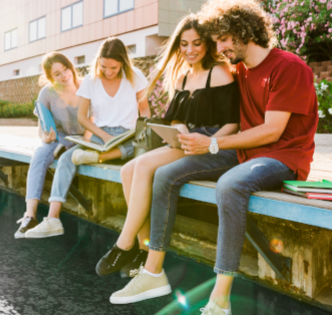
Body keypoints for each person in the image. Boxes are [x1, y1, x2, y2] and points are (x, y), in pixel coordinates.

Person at [108, 0, 319, 315]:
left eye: (223, 38)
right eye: (216, 39)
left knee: (229, 186)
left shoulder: (289, 67)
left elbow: (272, 132)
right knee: (165, 175)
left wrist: (213, 145)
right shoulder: (238, 70)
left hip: (283, 157)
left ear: (244, 31)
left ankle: (219, 305)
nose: (218, 46)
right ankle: (153, 269)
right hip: (240, 152)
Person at [95, 15, 240, 282]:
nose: (190, 50)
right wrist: (179, 129)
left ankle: (123, 244)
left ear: (207, 44)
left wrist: (209, 144)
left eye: (196, 43)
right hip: (186, 140)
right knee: (128, 170)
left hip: (212, 142)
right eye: (184, 44)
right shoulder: (184, 78)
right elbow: (176, 118)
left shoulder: (218, 73)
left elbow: (233, 122)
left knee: (144, 165)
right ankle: (140, 247)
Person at [22, 39, 150, 238]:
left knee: (140, 147)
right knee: (67, 158)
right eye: (104, 66)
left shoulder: (135, 76)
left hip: (129, 133)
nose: (108, 72)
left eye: (114, 67)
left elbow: (145, 111)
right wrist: (103, 135)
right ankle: (53, 219)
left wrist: (144, 133)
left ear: (123, 62)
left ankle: (101, 157)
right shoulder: (91, 80)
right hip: (102, 133)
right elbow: (83, 117)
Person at [15, 52, 86, 239]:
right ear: (50, 77)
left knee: (65, 159)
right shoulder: (47, 92)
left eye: (65, 69)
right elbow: (41, 129)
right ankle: (30, 216)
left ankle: (53, 218)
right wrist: (45, 138)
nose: (64, 75)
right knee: (39, 154)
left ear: (71, 67)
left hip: (85, 139)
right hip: (60, 138)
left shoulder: (87, 86)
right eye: (57, 74)